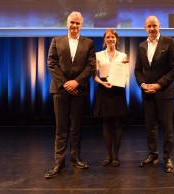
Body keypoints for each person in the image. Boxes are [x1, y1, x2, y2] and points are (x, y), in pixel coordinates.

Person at [45, 11, 96, 178]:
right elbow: (51, 63)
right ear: (67, 23)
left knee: (76, 128)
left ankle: (75, 158)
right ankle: (58, 164)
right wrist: (66, 84)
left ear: (82, 25)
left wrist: (76, 82)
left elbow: (90, 66)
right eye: (72, 22)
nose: (74, 26)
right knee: (61, 128)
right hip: (60, 90)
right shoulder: (56, 41)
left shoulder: (89, 43)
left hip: (79, 91)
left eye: (78, 23)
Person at [134, 15, 174, 173]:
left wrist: (158, 85)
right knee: (150, 127)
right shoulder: (141, 46)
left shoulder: (170, 42)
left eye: (154, 25)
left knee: (167, 127)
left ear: (159, 26)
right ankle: (152, 155)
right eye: (149, 26)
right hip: (147, 93)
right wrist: (142, 85)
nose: (152, 29)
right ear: (145, 28)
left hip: (165, 93)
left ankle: (168, 158)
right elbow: (138, 70)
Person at [93, 29, 129, 167]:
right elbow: (95, 76)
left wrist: (119, 81)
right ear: (104, 39)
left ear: (116, 39)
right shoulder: (98, 55)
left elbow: (125, 74)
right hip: (104, 90)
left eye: (112, 37)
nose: (110, 39)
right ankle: (108, 155)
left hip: (118, 91)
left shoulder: (123, 56)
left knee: (117, 123)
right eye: (108, 37)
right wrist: (103, 82)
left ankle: (116, 156)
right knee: (106, 124)